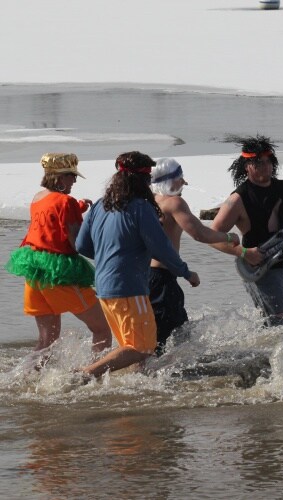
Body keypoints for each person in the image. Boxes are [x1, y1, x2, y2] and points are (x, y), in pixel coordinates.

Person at [75, 151, 200, 378]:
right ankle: (86, 373)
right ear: (143, 181)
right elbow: (161, 248)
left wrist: (109, 256)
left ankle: (135, 389)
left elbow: (82, 245)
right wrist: (186, 272)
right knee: (142, 347)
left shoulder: (100, 206)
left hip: (103, 289)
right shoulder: (141, 208)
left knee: (131, 347)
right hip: (129, 289)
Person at [5, 153, 112, 359]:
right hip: (60, 274)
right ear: (59, 178)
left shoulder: (38, 198)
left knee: (47, 341)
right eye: (71, 176)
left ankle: (28, 377)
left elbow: (51, 217)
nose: (74, 180)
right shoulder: (66, 202)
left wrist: (77, 207)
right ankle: (92, 378)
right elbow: (77, 243)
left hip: (36, 273)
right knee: (102, 330)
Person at [211, 135, 283, 326]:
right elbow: (212, 236)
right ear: (247, 166)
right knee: (280, 323)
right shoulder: (238, 199)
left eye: (268, 162)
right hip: (259, 270)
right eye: (258, 163)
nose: (265, 167)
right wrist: (243, 252)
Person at [149, 157, 240, 355]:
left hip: (140, 276)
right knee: (173, 335)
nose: (183, 184)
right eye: (180, 179)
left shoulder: (146, 201)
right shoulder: (174, 203)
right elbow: (200, 233)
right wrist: (229, 236)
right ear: (172, 180)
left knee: (152, 334)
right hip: (162, 278)